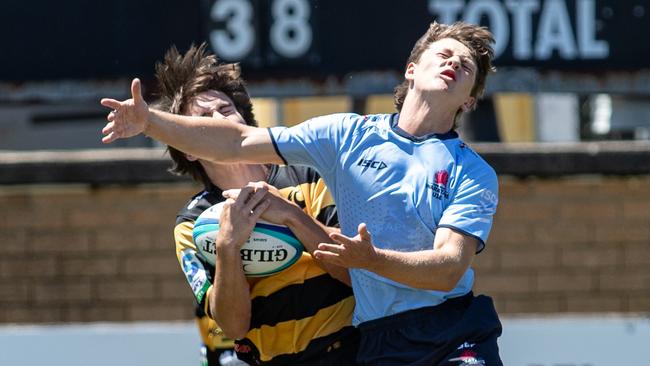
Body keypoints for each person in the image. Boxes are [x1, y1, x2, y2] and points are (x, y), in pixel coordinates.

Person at [101, 22, 503, 365]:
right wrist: (149, 121)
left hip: (443, 329)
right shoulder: (345, 136)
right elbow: (239, 142)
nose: (453, 62)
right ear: (411, 69)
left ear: (470, 99)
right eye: (445, 53)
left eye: (466, 65)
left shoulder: (471, 173)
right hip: (379, 342)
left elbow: (445, 267)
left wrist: (339, 242)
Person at [152, 43, 359, 365]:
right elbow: (233, 325)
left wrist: (291, 216)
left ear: (245, 121)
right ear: (188, 147)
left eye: (225, 109)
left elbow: (356, 274)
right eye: (203, 117)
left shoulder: (309, 176)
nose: (218, 119)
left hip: (349, 352)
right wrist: (228, 246)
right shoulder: (193, 223)